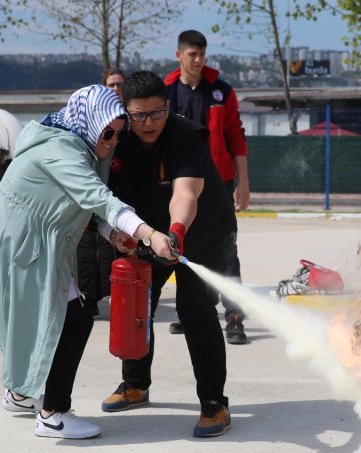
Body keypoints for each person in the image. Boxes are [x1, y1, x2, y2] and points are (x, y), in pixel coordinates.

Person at [0, 85, 175, 440]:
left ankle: (20, 393)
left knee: (36, 317)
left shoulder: (80, 146)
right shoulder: (62, 151)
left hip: (30, 239)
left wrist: (110, 232)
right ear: (90, 123)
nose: (113, 140)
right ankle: (53, 413)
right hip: (28, 244)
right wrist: (150, 234)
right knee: (74, 319)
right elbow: (96, 195)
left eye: (119, 133)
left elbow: (85, 205)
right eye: (108, 132)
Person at [101, 70, 236, 438]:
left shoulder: (186, 135)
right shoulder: (118, 137)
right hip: (147, 231)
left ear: (167, 107)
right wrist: (122, 233)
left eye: (157, 113)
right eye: (140, 115)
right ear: (126, 112)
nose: (150, 123)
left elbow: (185, 194)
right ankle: (135, 385)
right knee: (135, 301)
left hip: (202, 231)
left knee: (194, 311)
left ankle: (214, 404)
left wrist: (176, 232)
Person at [163, 29, 250, 345]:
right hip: (180, 183)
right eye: (192, 54)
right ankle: (194, 312)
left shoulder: (222, 92)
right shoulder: (166, 92)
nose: (198, 60)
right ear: (179, 55)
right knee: (186, 247)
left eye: (202, 54)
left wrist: (244, 182)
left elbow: (235, 136)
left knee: (227, 248)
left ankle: (235, 316)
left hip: (219, 185)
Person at [76, 68, 126, 317]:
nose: (116, 89)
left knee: (109, 249)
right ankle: (88, 296)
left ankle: (111, 292)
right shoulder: (88, 130)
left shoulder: (125, 125)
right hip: (91, 198)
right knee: (85, 248)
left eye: (120, 85)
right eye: (111, 84)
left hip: (113, 196)